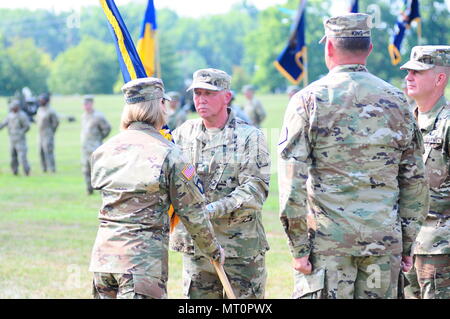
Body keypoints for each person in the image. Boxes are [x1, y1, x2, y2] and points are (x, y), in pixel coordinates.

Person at [277, 13, 429, 299]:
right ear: (369, 49)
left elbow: (291, 184)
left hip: (327, 248)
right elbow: (415, 182)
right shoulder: (398, 101)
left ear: (329, 48)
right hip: (383, 247)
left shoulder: (307, 101)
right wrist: (406, 244)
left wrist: (298, 250)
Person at [88, 77, 223, 299]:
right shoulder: (169, 153)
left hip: (103, 262)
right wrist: (214, 250)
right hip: (141, 265)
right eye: (164, 103)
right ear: (158, 105)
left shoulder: (104, 150)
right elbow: (193, 212)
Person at [170, 68, 271, 299]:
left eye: (209, 93)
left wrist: (210, 211)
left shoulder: (250, 137)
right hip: (198, 248)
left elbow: (255, 190)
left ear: (227, 96)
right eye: (197, 93)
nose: (201, 99)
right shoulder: (183, 134)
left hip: (239, 249)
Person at [400, 45, 450, 299]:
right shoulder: (405, 122)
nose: (409, 77)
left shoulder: (448, 124)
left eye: (417, 72)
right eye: (408, 71)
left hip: (441, 250)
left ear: (440, 78)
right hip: (406, 246)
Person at [80, 95, 111, 195]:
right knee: (86, 169)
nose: (86, 106)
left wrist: (99, 138)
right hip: (85, 148)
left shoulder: (98, 116)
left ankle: (100, 190)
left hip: (95, 147)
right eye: (84, 104)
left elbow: (107, 128)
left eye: (88, 104)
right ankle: (89, 189)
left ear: (92, 104)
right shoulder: (84, 116)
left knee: (97, 170)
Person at [0, 100, 31, 176]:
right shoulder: (10, 115)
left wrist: (21, 132)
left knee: (22, 156)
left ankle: (26, 171)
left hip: (20, 140)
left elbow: (27, 126)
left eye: (14, 107)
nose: (12, 108)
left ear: (17, 107)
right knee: (13, 156)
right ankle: (15, 171)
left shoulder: (22, 115)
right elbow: (4, 123)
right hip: (12, 139)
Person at [36, 93, 59, 173]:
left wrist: (51, 131)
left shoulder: (51, 111)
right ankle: (44, 168)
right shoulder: (39, 109)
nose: (40, 101)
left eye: (42, 100)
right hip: (40, 134)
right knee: (41, 151)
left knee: (48, 151)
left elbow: (56, 122)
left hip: (48, 134)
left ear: (46, 101)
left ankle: (52, 168)